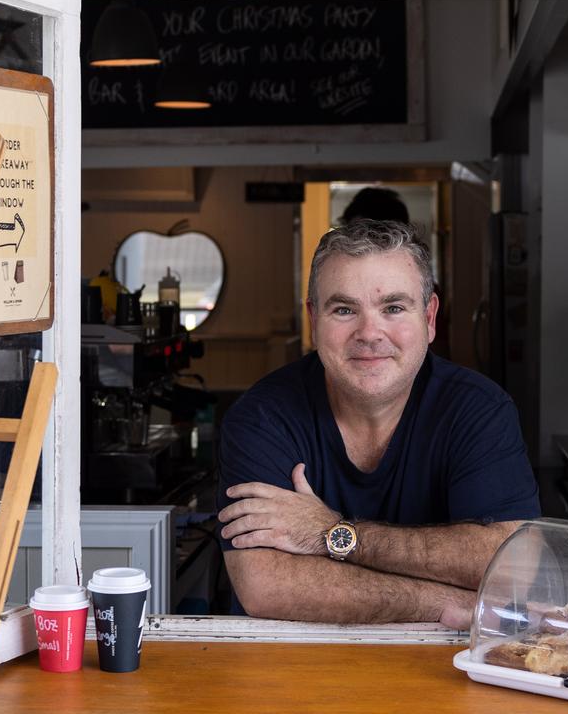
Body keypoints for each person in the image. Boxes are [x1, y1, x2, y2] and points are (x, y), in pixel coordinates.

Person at [216, 219, 540, 627]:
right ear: (314, 319)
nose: (369, 333)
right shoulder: (262, 417)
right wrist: (457, 603)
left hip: (442, 668)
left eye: (393, 307)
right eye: (345, 309)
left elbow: (512, 570)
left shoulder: (478, 410)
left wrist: (332, 534)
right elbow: (267, 586)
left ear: (430, 317)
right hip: (291, 664)